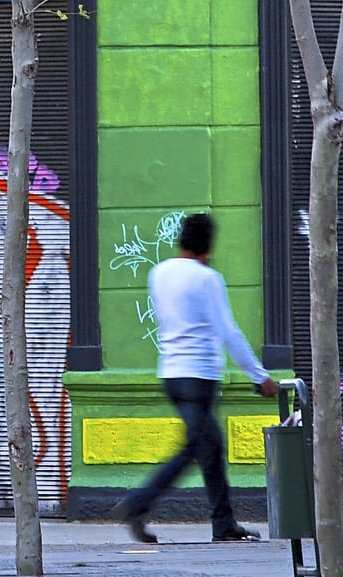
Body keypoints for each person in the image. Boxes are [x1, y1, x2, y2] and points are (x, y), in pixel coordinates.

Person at [113, 211, 278, 544]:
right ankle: (137, 503)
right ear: (209, 245)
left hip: (171, 374)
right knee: (196, 447)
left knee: (210, 447)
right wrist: (260, 376)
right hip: (198, 376)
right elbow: (228, 331)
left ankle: (224, 523)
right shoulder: (207, 279)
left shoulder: (160, 273)